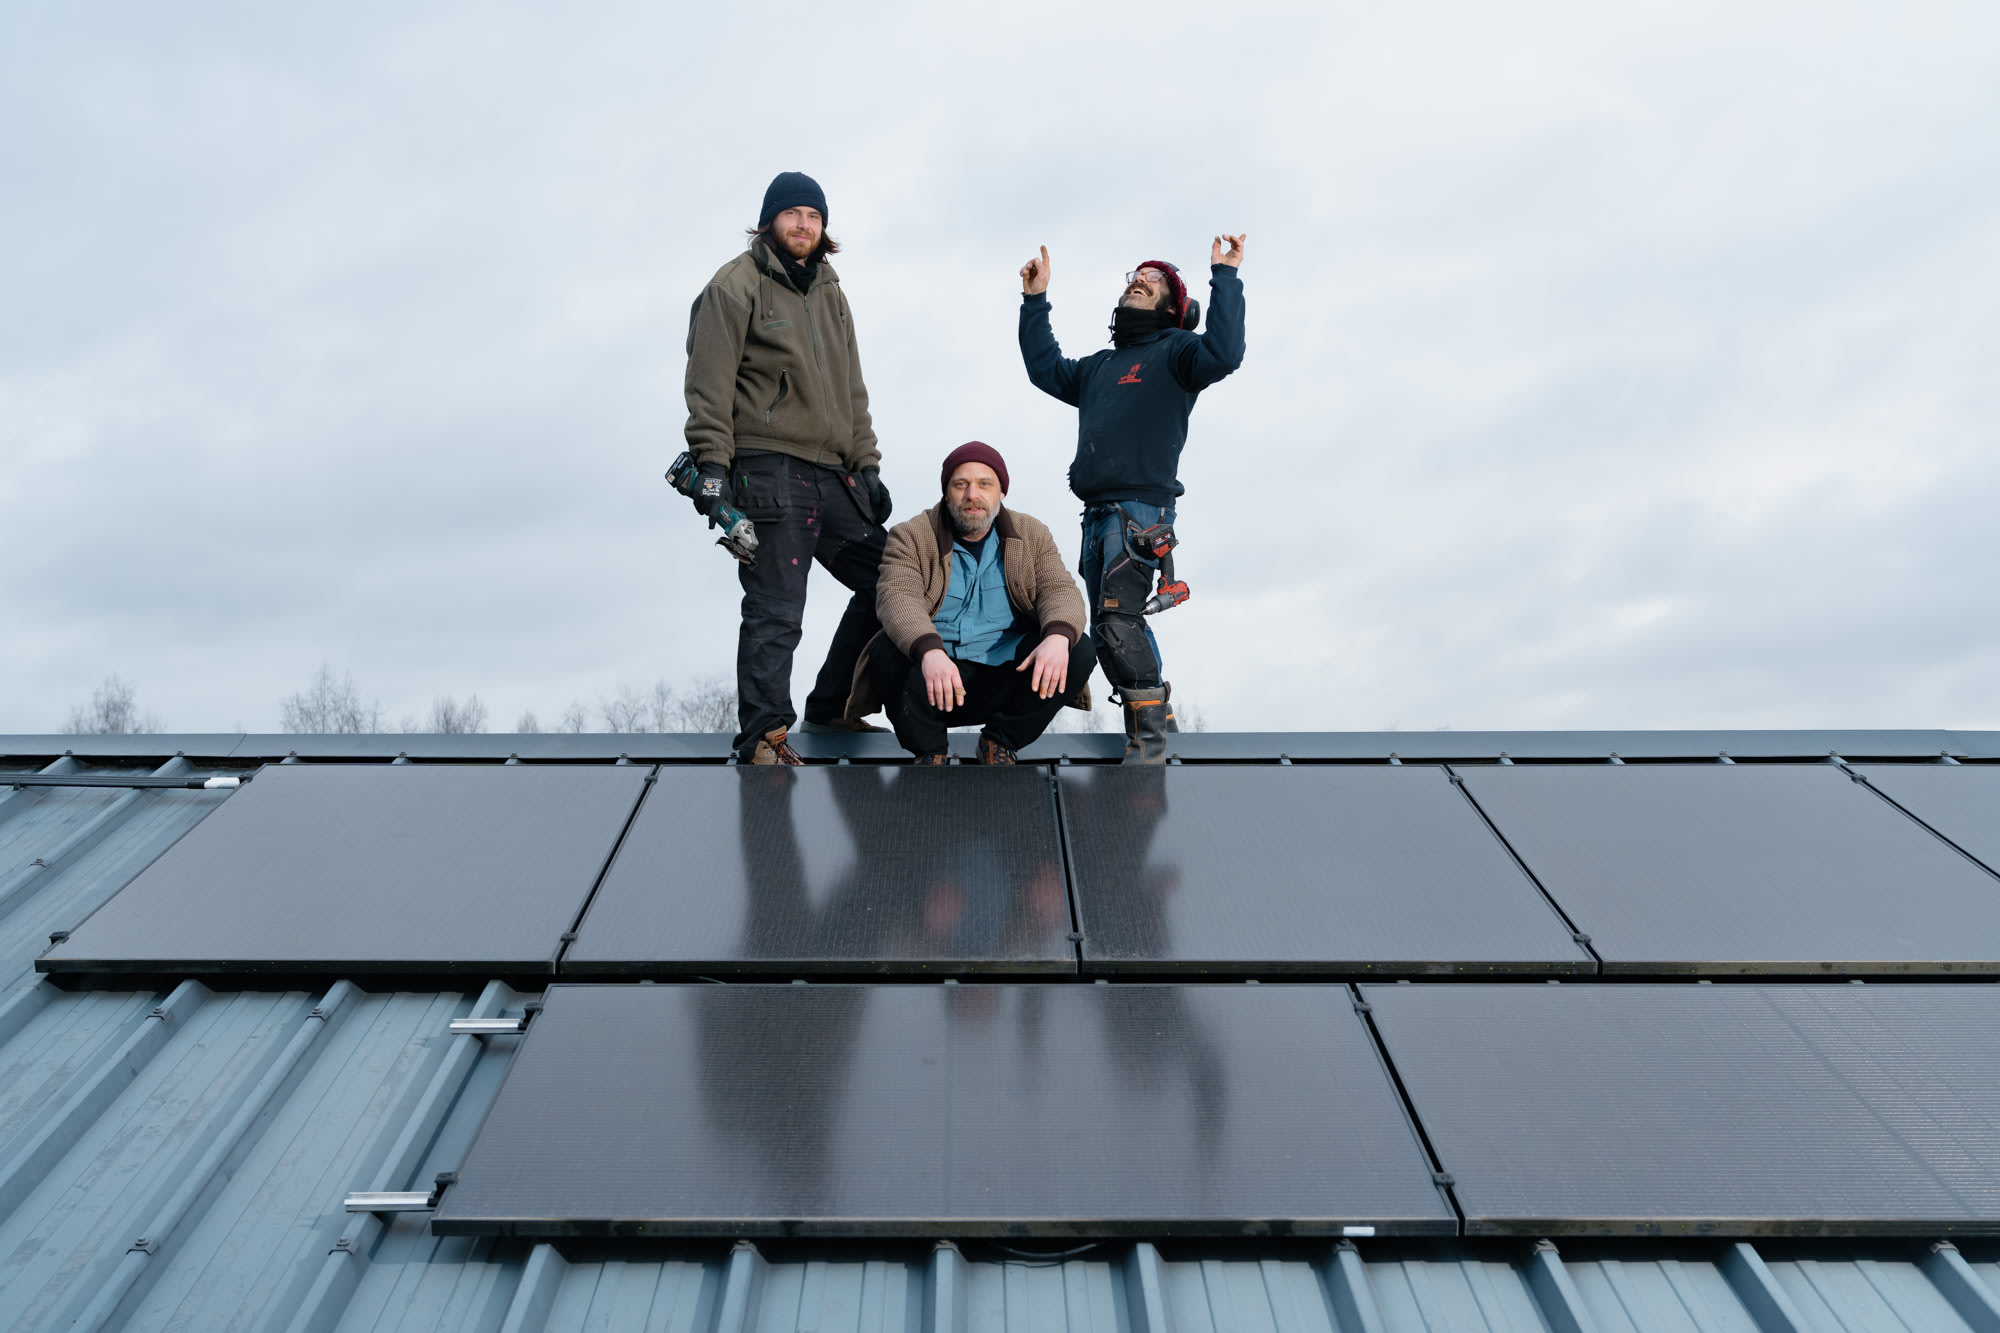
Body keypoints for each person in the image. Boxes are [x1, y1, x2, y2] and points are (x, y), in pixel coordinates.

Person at [682, 171, 891, 764]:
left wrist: (867, 463)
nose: (804, 225)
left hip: (832, 471)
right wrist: (712, 465)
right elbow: (708, 384)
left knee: (895, 579)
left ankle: (834, 706)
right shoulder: (733, 286)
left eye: (814, 216)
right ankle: (765, 736)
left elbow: (852, 387)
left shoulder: (831, 292)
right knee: (777, 607)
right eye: (793, 214)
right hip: (768, 466)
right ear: (769, 220)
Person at [1017, 236, 1247, 762]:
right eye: (1135, 275)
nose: (1140, 279)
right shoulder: (1099, 367)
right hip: (1097, 514)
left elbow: (1225, 352)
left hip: (1140, 514)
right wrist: (1035, 301)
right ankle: (1162, 718)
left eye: (1155, 278)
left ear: (1174, 305)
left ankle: (1150, 745)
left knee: (1118, 622)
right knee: (1110, 626)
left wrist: (1226, 276)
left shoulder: (1178, 352)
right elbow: (1045, 368)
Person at [849, 442, 1095, 765]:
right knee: (886, 653)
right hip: (935, 677)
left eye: (984, 484)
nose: (972, 495)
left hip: (1007, 676)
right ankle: (930, 751)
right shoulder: (911, 535)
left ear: (1001, 492)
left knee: (1076, 649)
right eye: (960, 484)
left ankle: (999, 742)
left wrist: (1057, 638)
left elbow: (1059, 589)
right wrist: (929, 651)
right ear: (946, 492)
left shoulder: (1032, 534)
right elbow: (897, 597)